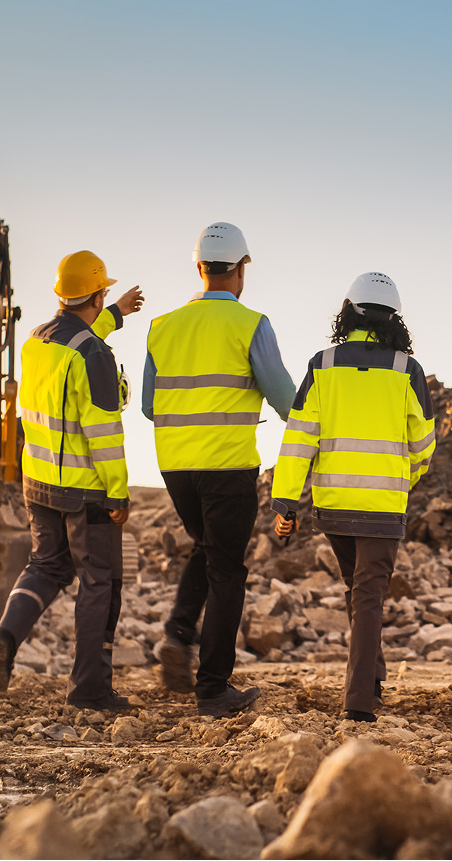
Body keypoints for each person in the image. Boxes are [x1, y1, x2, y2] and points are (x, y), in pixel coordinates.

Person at [271, 272, 435, 722]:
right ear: (394, 320)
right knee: (367, 598)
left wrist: (285, 500)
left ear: (348, 312)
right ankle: (359, 702)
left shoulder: (322, 364)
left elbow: (299, 437)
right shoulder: (407, 370)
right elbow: (423, 445)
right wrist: (404, 479)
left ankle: (373, 677)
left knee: (358, 592)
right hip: (384, 507)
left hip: (335, 506)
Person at [147, 222, 294, 718]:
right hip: (228, 464)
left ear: (199, 268)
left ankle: (178, 633)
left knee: (208, 549)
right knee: (228, 570)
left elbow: (149, 405)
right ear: (242, 269)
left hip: (174, 466)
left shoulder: (162, 326)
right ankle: (212, 688)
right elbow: (284, 399)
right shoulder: (251, 324)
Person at [0, 251, 137, 712]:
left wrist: (115, 315)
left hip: (39, 481)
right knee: (99, 582)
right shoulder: (94, 354)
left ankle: (5, 639)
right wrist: (118, 492)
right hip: (85, 487)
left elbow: (77, 336)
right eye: (105, 294)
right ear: (98, 293)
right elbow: (105, 433)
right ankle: (89, 690)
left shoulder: (37, 341)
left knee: (46, 567)